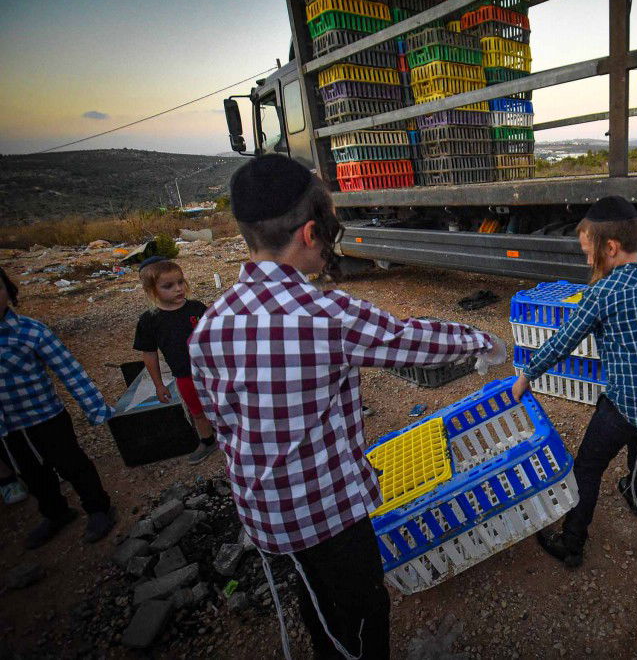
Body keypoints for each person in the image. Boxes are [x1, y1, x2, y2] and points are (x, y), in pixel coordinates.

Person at [188, 154, 505, 660]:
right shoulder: (325, 315)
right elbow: (410, 340)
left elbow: (219, 415)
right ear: (311, 233)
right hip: (323, 513)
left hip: (267, 510)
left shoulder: (211, 323)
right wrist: (481, 339)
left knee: (321, 599)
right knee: (358, 616)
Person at [512, 195, 637, 568]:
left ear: (610, 248)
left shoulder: (603, 292)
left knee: (588, 466)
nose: (587, 259)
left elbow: (564, 341)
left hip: (629, 400)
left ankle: (572, 543)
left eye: (587, 252)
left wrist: (527, 374)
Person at [0, 266, 117, 548]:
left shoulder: (30, 332)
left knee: (71, 463)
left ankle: (98, 507)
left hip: (46, 416)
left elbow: (70, 372)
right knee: (31, 473)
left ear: (9, 291)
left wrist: (96, 408)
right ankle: (55, 513)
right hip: (8, 427)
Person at [132, 257, 217, 465]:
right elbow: (149, 353)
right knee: (197, 412)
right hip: (184, 375)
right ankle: (207, 441)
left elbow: (214, 336)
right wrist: (159, 385)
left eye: (180, 282)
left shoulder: (196, 308)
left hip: (211, 371)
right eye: (168, 286)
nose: (178, 289)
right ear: (151, 290)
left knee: (221, 404)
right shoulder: (149, 320)